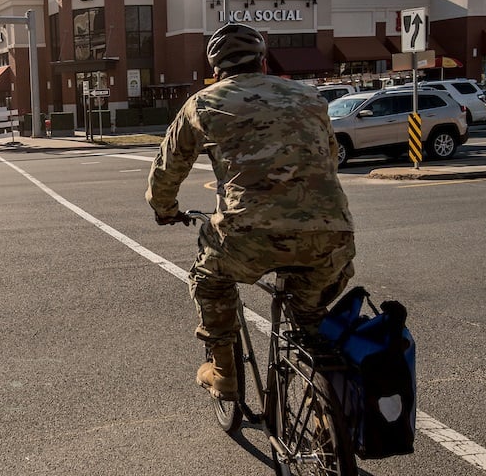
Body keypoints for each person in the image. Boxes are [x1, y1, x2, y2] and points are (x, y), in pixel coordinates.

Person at [146, 23, 356, 400]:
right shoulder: (309, 97)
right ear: (263, 60)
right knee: (309, 318)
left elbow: (167, 169)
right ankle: (328, 407)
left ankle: (224, 372)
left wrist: (165, 209)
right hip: (330, 233)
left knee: (209, 279)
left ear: (215, 69)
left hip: (247, 235)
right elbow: (329, 158)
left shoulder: (204, 103)